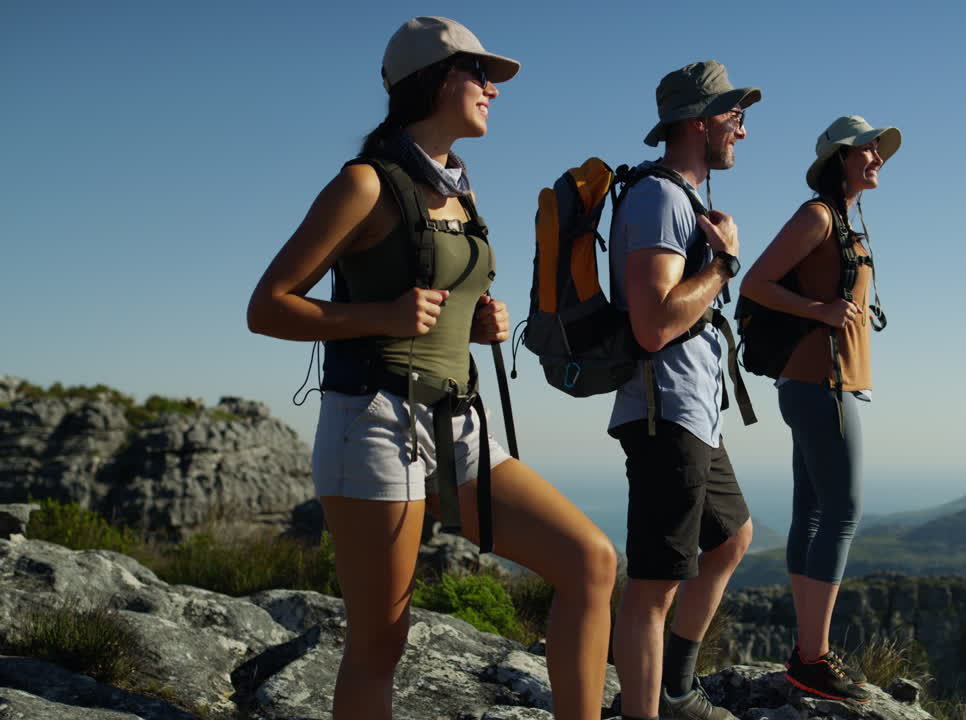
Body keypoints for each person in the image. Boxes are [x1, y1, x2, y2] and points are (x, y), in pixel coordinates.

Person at [246, 17, 616, 720]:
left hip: (457, 422)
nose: (492, 92)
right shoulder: (366, 184)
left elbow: (435, 295)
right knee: (380, 647)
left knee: (591, 561)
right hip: (374, 423)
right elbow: (268, 307)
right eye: (480, 75)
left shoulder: (457, 189)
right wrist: (378, 318)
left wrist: (479, 322)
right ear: (437, 80)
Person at [607, 60, 760, 720]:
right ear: (701, 123)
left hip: (693, 412)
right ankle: (650, 709)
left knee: (732, 538)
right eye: (736, 118)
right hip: (664, 412)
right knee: (652, 589)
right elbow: (653, 323)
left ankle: (675, 687)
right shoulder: (661, 199)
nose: (743, 133)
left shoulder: (683, 200)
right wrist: (725, 264)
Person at [739, 115, 902, 703]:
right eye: (867, 150)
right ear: (839, 158)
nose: (878, 158)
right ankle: (814, 656)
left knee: (811, 512)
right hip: (818, 383)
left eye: (880, 151)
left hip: (823, 384)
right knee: (842, 512)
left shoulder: (845, 221)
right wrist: (821, 311)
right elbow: (754, 282)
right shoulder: (817, 216)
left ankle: (808, 651)